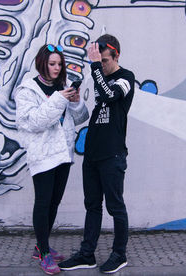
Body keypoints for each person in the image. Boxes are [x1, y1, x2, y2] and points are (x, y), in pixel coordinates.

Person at [58, 34, 135, 274]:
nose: (101, 65)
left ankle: (119, 254)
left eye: (104, 61)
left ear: (116, 56)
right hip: (92, 155)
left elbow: (111, 96)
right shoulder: (102, 77)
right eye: (98, 61)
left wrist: (94, 67)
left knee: (115, 207)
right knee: (92, 206)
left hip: (112, 156)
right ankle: (87, 254)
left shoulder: (126, 78)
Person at [14, 44, 89, 275]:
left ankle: (41, 246)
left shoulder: (62, 88)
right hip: (42, 154)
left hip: (63, 153)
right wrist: (58, 99)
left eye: (59, 64)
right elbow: (33, 122)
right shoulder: (27, 90)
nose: (57, 68)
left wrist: (75, 101)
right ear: (42, 63)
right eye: (52, 64)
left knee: (54, 202)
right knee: (43, 202)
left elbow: (79, 118)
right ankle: (44, 254)